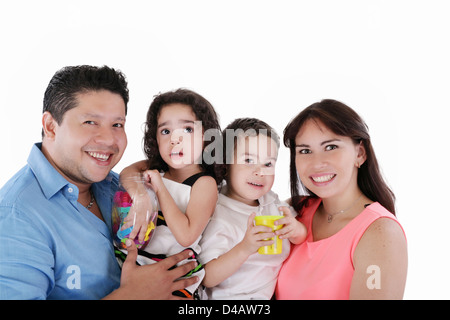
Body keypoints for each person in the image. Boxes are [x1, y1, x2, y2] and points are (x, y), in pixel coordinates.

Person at [0, 65, 198, 300]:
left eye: (117, 125)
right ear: (51, 126)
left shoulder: (116, 186)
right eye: (90, 122)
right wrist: (133, 295)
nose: (108, 139)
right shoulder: (17, 214)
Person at [275, 99, 408, 300]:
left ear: (360, 153)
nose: (317, 163)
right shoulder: (295, 211)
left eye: (331, 147)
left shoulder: (381, 233)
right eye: (305, 151)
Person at [118, 89, 222, 299]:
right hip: (133, 264)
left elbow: (186, 236)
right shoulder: (157, 168)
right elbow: (127, 173)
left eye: (187, 129)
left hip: (173, 277)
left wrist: (159, 187)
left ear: (206, 137)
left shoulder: (204, 184)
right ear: (155, 138)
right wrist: (141, 196)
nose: (175, 139)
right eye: (165, 131)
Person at [199, 118, 307, 300]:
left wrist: (295, 229)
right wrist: (245, 248)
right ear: (225, 165)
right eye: (248, 160)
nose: (260, 171)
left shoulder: (271, 202)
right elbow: (208, 277)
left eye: (268, 164)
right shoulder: (218, 211)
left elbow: (302, 236)